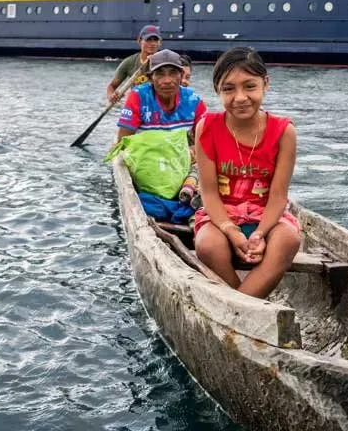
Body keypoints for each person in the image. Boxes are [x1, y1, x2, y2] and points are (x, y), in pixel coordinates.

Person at [193, 47, 300, 299]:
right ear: (218, 91)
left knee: (289, 240)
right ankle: (246, 302)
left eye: (249, 86)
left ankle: (235, 307)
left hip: (267, 216)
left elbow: (278, 196)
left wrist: (260, 233)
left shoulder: (283, 131)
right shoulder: (207, 127)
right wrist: (230, 230)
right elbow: (208, 192)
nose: (240, 97)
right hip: (222, 215)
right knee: (208, 245)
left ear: (265, 84)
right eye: (228, 89)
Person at [117, 49, 207, 204]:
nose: (167, 80)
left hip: (180, 161)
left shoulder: (193, 100)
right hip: (148, 161)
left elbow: (207, 139)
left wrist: (194, 149)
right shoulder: (139, 96)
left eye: (173, 73)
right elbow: (124, 141)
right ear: (151, 78)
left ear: (181, 75)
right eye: (160, 74)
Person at [106, 25, 161, 103]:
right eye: (148, 40)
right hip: (137, 105)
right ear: (139, 41)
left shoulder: (165, 63)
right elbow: (112, 86)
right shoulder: (129, 62)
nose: (152, 44)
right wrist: (111, 96)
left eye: (155, 40)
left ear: (160, 42)